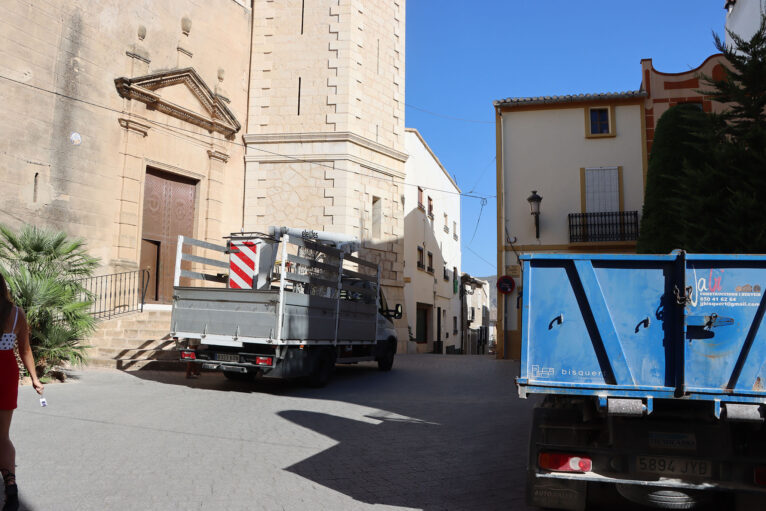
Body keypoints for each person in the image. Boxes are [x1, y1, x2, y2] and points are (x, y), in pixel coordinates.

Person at [0, 273, 43, 511]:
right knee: (3, 436)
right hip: (5, 374)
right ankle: (11, 489)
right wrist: (35, 379)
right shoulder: (17, 314)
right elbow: (25, 349)